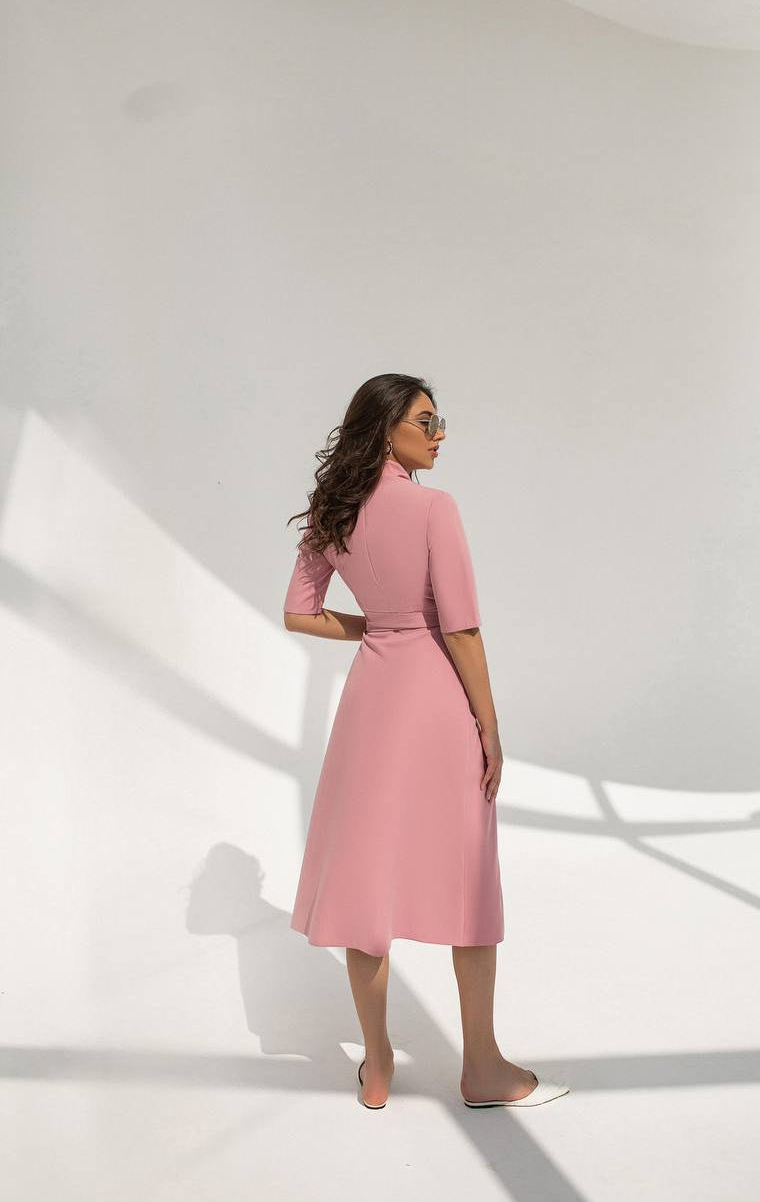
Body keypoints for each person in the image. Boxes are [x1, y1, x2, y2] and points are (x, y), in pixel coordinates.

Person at [283, 373, 569, 1111]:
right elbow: (462, 628)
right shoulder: (434, 507)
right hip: (438, 703)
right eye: (427, 420)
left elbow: (299, 613)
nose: (441, 434)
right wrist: (490, 726)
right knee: (466, 875)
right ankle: (483, 1067)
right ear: (387, 429)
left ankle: (377, 1065)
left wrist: (380, 626)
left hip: (370, 705)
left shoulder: (332, 511)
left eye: (441, 420)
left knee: (364, 880)